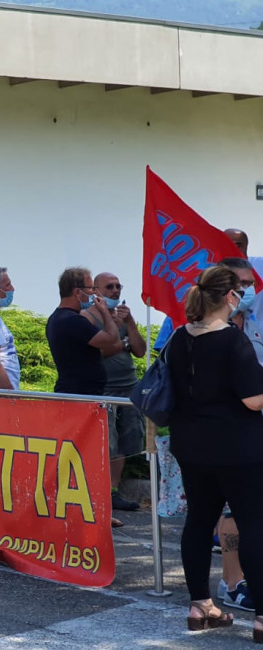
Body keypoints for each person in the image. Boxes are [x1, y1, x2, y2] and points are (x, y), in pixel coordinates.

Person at [164, 264, 263, 641]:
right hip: (238, 448)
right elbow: (253, 400)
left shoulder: (179, 337)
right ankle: (261, 619)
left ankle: (200, 605)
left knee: (198, 524)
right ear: (231, 297)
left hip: (192, 446)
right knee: (254, 526)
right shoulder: (232, 339)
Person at [214, 257, 260, 612]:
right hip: (229, 429)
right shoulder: (205, 325)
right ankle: (232, 582)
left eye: (250, 283)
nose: (246, 291)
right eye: (239, 285)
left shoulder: (250, 317)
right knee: (232, 506)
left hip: (252, 423)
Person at [82, 272, 146, 513]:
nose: (115, 291)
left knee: (127, 440)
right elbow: (94, 354)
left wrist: (129, 324)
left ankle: (113, 491)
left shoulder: (124, 317)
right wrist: (122, 344)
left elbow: (140, 350)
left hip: (128, 387)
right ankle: (98, 491)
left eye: (118, 286)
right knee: (107, 442)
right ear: (96, 291)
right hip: (104, 388)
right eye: (109, 287)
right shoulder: (88, 318)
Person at [46, 267, 122, 395]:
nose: (94, 293)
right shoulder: (72, 320)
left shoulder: (58, 317)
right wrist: (104, 311)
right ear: (78, 292)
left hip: (80, 391)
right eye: (91, 288)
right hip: (79, 394)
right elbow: (111, 339)